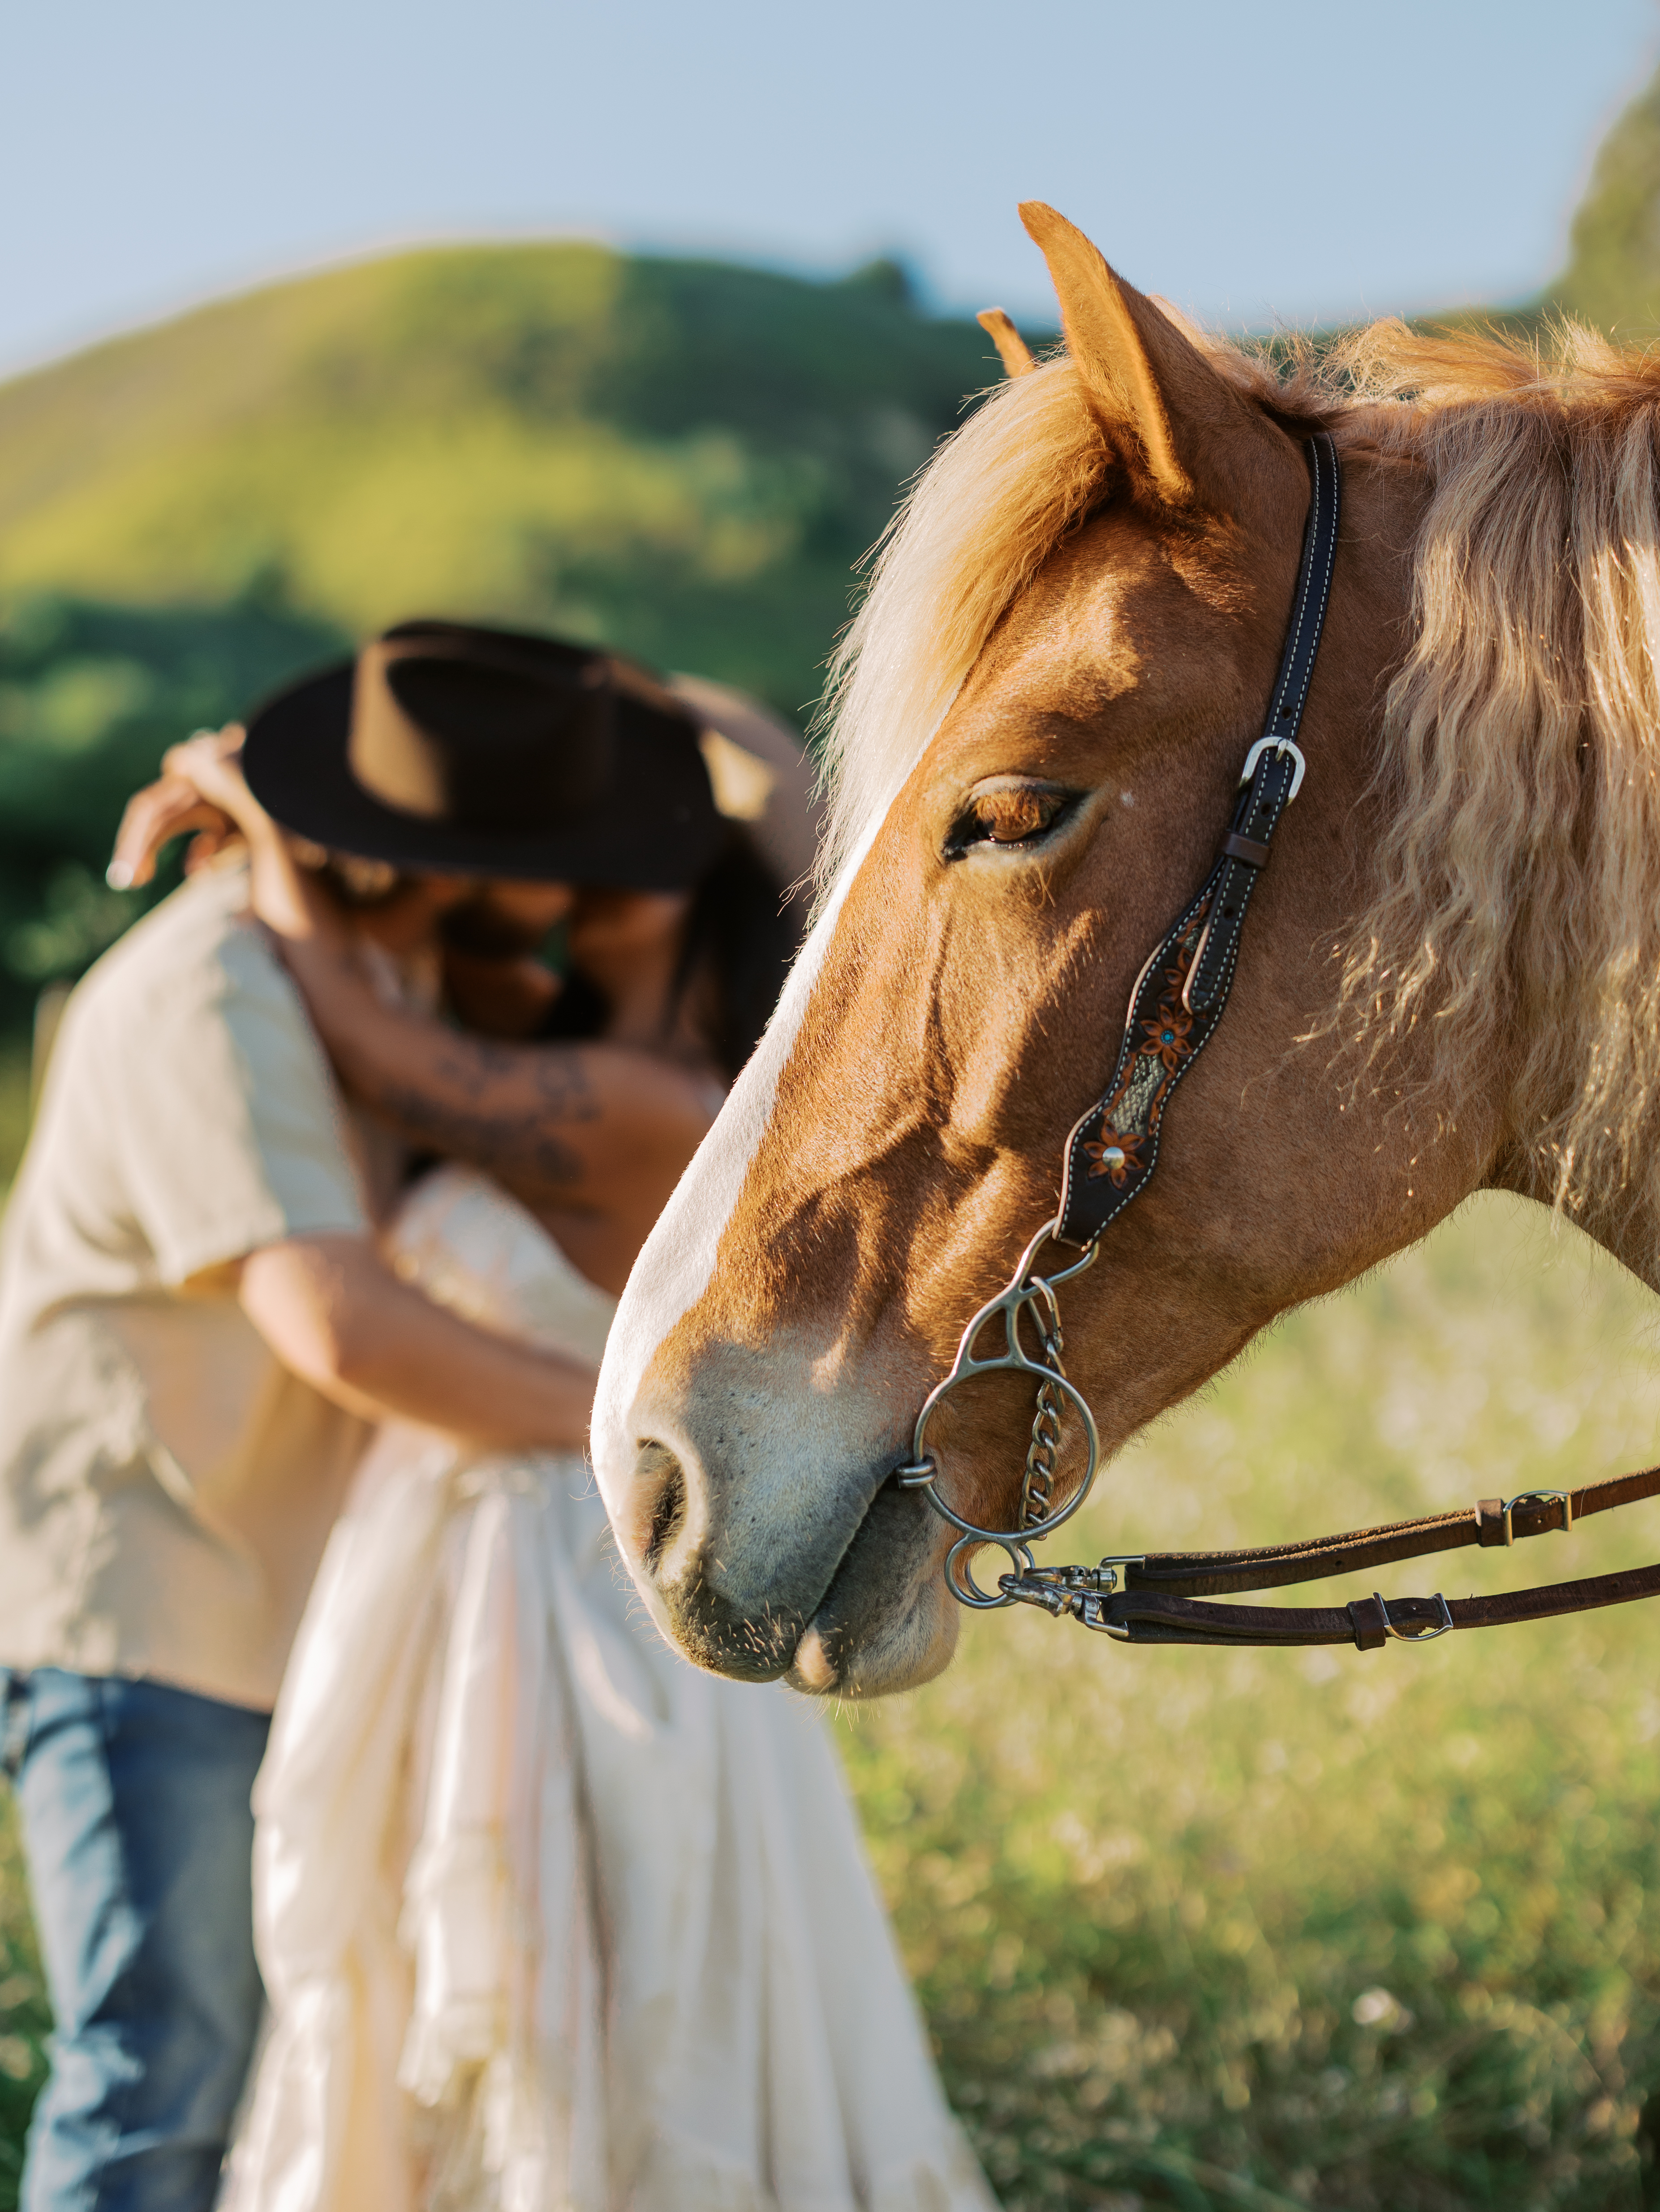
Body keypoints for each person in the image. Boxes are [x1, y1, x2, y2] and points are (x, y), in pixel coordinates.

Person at [110, 630, 997, 2211]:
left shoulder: (666, 1107)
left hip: (571, 1596)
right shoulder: (550, 1049)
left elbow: (394, 1054)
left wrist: (272, 854)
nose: (567, 891)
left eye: (615, 862)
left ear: (691, 889)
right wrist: (594, 710)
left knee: (598, 1992)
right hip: (456, 1585)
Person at [0, 620, 748, 2212]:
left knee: (299, 2078)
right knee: (163, 2067)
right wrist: (650, 1450)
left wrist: (640, 704)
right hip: (157, 1606)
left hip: (315, 1600)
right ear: (433, 861)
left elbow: (783, 824)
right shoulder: (206, 994)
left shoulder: (396, 981)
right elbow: (336, 1322)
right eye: (566, 850)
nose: (583, 891)